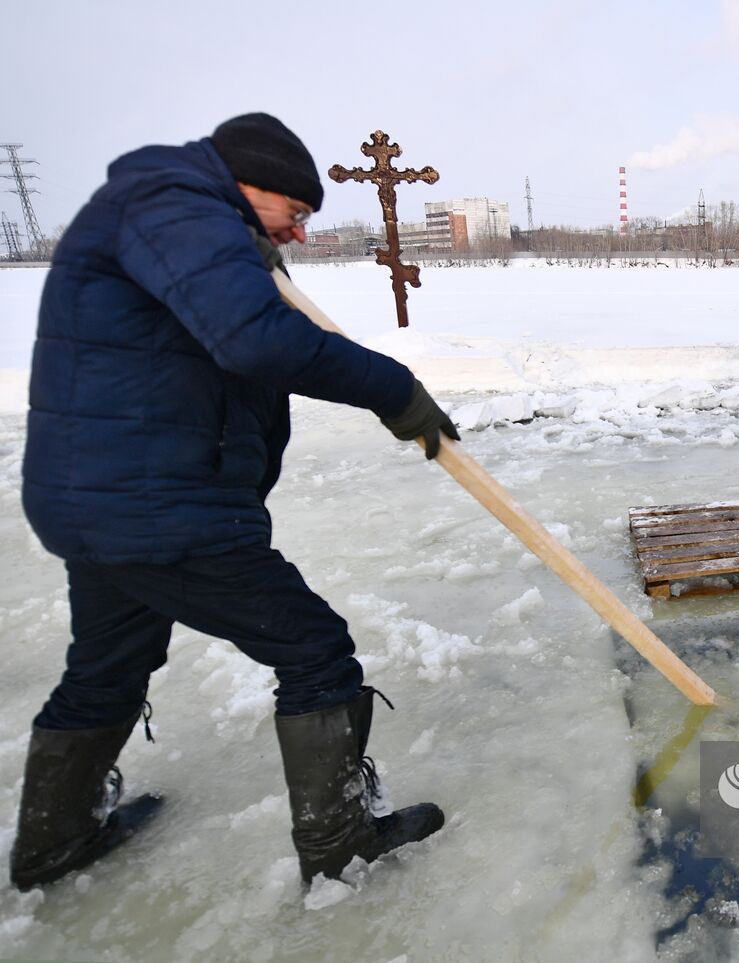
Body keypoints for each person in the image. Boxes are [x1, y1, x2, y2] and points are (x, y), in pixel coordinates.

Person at [12, 113, 459, 890]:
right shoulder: (177, 205)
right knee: (314, 650)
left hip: (101, 499)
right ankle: (342, 848)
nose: (300, 236)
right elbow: (252, 342)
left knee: (106, 665)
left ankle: (56, 840)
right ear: (255, 185)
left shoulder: (160, 213)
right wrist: (392, 387)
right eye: (297, 215)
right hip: (155, 504)